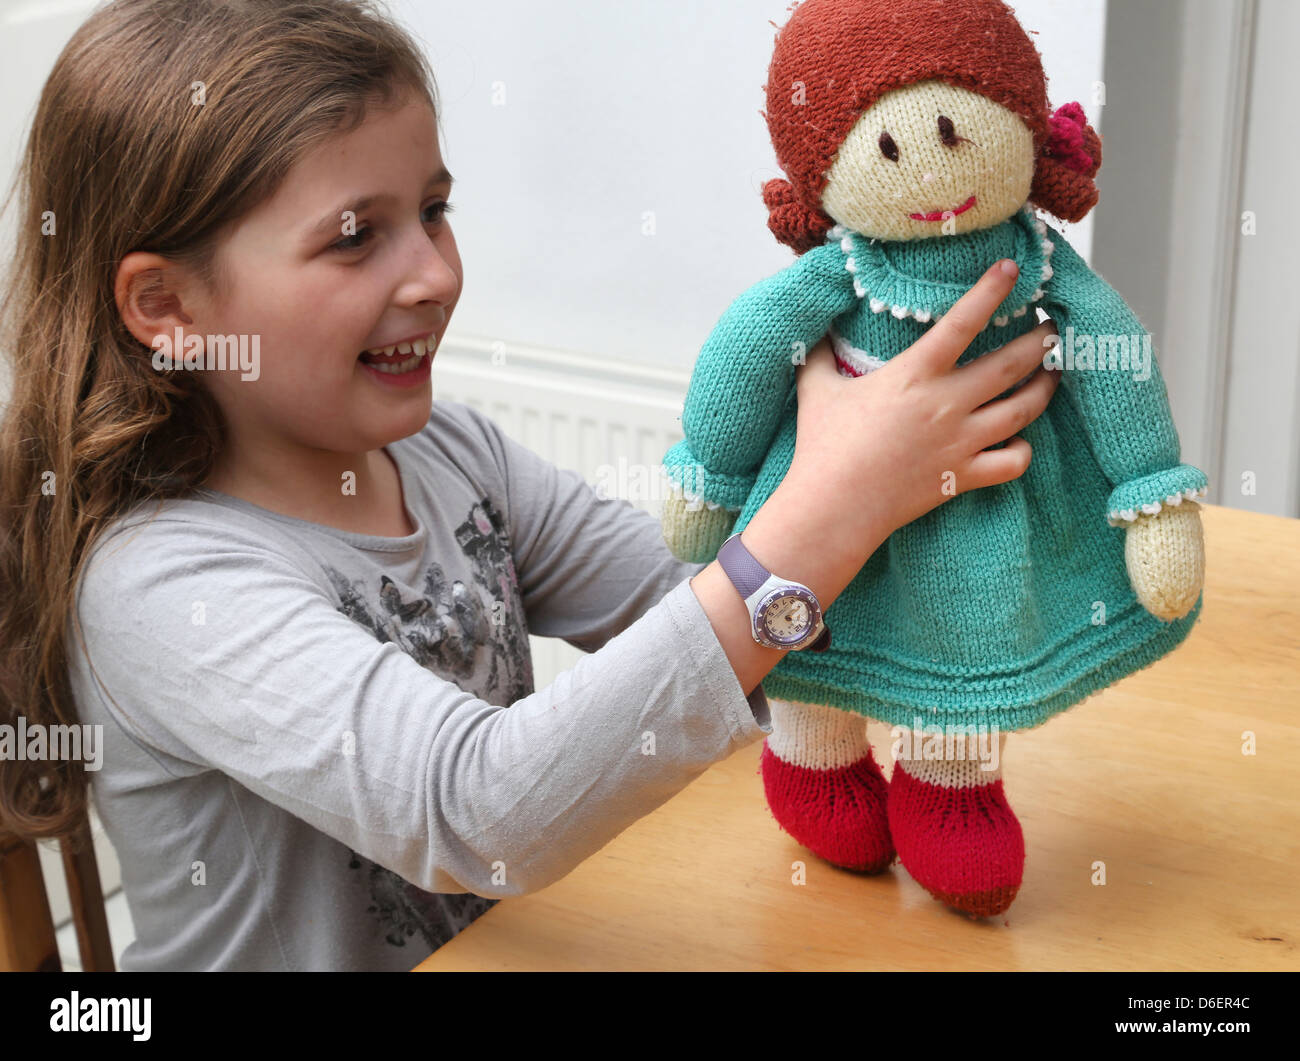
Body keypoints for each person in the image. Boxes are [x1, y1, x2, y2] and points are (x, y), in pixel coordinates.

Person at [0, 0, 1058, 970]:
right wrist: (830, 508)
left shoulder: (451, 454)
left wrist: (911, 496)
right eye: (355, 236)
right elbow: (482, 812)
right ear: (167, 305)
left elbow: (695, 617)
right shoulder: (163, 584)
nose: (434, 272)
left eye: (434, 209)